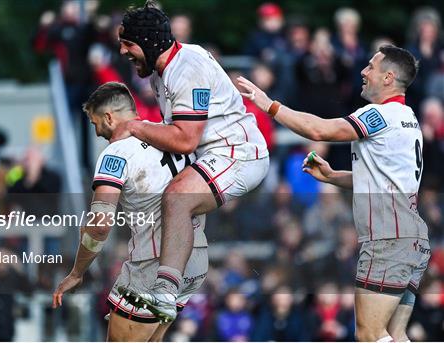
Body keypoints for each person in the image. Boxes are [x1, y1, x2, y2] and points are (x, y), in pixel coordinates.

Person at [238, 45, 431, 342]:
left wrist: (269, 105)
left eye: (370, 67)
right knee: (394, 333)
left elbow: (319, 131)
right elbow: (380, 180)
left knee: (369, 335)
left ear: (388, 77)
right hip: (412, 237)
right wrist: (331, 176)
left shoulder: (380, 114)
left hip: (388, 239)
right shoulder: (409, 119)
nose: (363, 72)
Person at [113, 1, 269, 323]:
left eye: (128, 44)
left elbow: (185, 139)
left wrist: (136, 127)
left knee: (177, 197)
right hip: (215, 153)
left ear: (147, 42)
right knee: (168, 199)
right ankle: (171, 289)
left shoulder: (186, 69)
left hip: (237, 152)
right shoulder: (164, 69)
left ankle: (166, 293)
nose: (123, 52)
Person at [51, 82, 208, 341]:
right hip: (194, 258)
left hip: (153, 264)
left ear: (109, 117)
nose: (97, 131)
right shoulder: (171, 134)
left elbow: (100, 226)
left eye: (95, 123)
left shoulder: (116, 153)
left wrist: (77, 272)